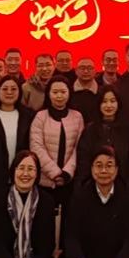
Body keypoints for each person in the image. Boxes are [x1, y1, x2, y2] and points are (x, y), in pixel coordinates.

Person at [30, 77, 84, 211]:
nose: (59, 96)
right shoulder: (40, 116)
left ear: (69, 93)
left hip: (69, 180)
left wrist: (67, 173)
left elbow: (79, 148)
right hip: (45, 181)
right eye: (55, 92)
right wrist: (55, 173)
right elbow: (36, 147)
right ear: (48, 94)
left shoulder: (77, 117)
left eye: (63, 92)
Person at [76, 87, 129, 195]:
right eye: (104, 101)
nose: (109, 105)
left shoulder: (128, 129)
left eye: (112, 101)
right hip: (94, 188)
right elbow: (83, 161)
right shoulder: (90, 130)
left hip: (124, 188)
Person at [70, 57, 103, 122]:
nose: (86, 71)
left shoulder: (102, 91)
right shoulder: (69, 91)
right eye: (82, 68)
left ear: (95, 71)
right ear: (76, 71)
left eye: (89, 68)